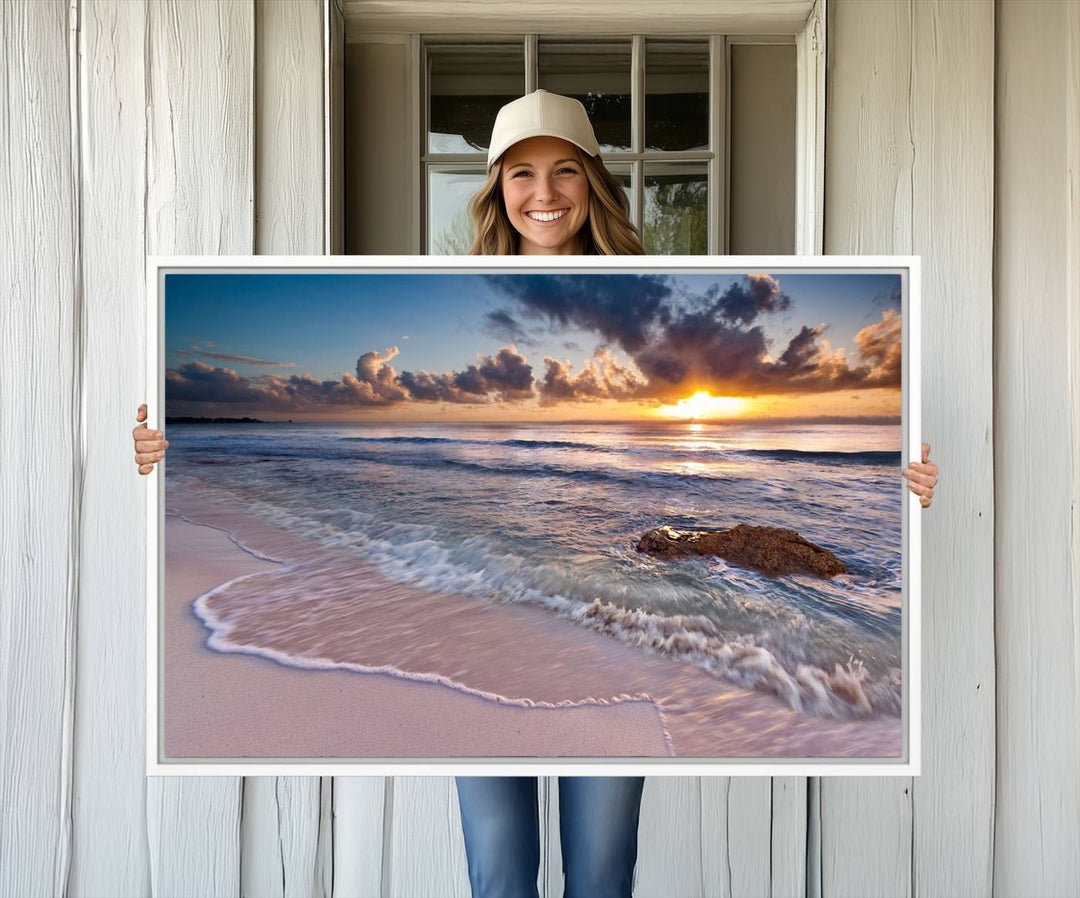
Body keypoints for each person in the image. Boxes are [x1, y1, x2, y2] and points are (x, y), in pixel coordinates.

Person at [131, 89, 940, 897]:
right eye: (521, 173)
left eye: (564, 171)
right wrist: (160, 455)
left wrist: (909, 485)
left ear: (593, 182)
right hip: (480, 616)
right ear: (496, 189)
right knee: (500, 871)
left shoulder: (658, 284)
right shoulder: (450, 290)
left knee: (601, 871)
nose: (544, 193)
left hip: (612, 629)